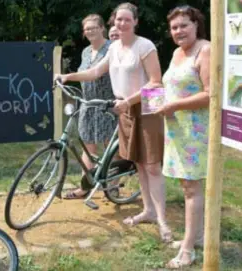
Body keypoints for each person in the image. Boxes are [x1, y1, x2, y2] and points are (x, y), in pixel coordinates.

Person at [55, 2, 172, 243]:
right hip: (125, 108)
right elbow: (95, 72)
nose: (122, 23)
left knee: (152, 165)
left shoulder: (145, 45)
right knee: (138, 163)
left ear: (135, 22)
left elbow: (156, 82)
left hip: (147, 106)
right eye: (119, 19)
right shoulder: (115, 47)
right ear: (113, 21)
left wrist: (129, 101)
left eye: (127, 19)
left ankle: (162, 220)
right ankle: (148, 211)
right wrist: (68, 76)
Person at [156, 5, 210, 268]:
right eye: (174, 27)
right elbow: (172, 86)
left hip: (195, 131)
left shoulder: (206, 50)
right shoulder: (177, 53)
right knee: (186, 185)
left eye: (184, 25)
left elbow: (210, 94)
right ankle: (196, 236)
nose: (179, 31)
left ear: (196, 24)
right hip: (176, 129)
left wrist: (174, 106)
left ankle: (188, 250)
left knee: (191, 188)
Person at [64, 14, 116, 199]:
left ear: (102, 28)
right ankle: (85, 186)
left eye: (94, 27)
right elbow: (85, 72)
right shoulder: (86, 51)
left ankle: (113, 185)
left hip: (106, 104)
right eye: (87, 29)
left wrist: (67, 76)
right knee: (88, 145)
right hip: (88, 103)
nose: (90, 31)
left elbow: (94, 73)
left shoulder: (111, 48)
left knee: (109, 146)